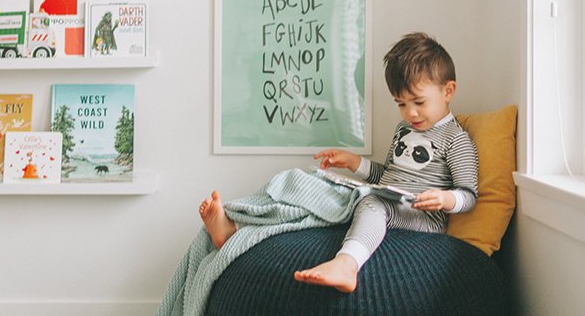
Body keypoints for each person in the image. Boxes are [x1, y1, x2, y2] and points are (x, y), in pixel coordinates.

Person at [199, 32, 479, 293]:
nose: (410, 112)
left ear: (448, 90)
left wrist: (444, 199)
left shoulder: (456, 140)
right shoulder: (404, 130)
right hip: (391, 199)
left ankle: (347, 265)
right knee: (311, 185)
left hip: (422, 216)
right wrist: (355, 163)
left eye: (418, 102)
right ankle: (236, 228)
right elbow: (388, 178)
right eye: (401, 104)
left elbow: (469, 195)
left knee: (372, 203)